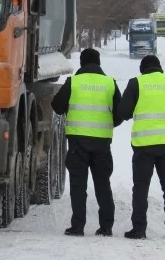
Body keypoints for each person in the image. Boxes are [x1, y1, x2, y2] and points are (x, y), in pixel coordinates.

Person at [51, 48, 122, 237]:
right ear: (98, 63)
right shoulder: (110, 83)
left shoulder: (73, 82)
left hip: (78, 143)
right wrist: (108, 123)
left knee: (78, 185)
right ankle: (106, 227)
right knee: (103, 185)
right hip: (102, 144)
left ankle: (78, 226)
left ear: (81, 63)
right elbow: (120, 112)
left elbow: (56, 106)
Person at [116, 55, 165, 240]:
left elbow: (123, 112)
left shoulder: (136, 83)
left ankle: (139, 230)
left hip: (144, 146)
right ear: (159, 67)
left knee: (141, 188)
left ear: (143, 69)